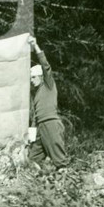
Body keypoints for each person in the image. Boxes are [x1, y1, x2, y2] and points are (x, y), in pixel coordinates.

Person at [27, 35, 68, 169]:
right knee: (32, 161)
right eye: (30, 78)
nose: (32, 81)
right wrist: (32, 136)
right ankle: (39, 187)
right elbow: (35, 117)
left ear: (40, 77)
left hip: (51, 124)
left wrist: (35, 46)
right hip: (40, 127)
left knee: (60, 161)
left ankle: (67, 185)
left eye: (33, 78)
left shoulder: (48, 85)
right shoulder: (36, 94)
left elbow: (46, 66)